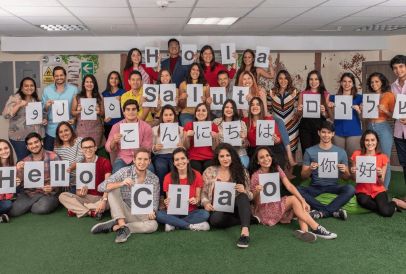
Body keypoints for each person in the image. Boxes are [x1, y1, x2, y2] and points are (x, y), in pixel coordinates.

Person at [249, 146, 337, 241]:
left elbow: (289, 186)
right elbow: (253, 201)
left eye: (267, 155)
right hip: (264, 210)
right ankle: (317, 228)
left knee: (299, 204)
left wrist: (302, 200)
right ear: (258, 161)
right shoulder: (255, 176)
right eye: (261, 157)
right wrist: (256, 191)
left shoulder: (276, 168)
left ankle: (305, 232)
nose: (266, 159)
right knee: (294, 200)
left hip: (276, 203)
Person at [91, 148, 159, 244]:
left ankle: (116, 226)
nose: (142, 162)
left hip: (140, 213)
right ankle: (122, 225)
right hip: (123, 210)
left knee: (153, 225)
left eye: (145, 159)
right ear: (134, 160)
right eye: (139, 159)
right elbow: (101, 187)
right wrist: (121, 183)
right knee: (112, 190)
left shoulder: (154, 179)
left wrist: (152, 210)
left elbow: (155, 201)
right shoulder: (124, 172)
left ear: (149, 161)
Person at [201, 143, 254, 248]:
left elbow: (251, 196)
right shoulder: (209, 171)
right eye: (222, 156)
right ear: (217, 158)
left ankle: (245, 233)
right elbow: (203, 192)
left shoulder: (241, 171)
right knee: (215, 221)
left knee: (242, 196)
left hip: (237, 205)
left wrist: (245, 191)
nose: (225, 159)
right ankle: (248, 219)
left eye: (228, 155)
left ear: (232, 156)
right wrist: (205, 202)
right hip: (219, 207)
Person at [298, 121, 354, 220]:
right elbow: (303, 176)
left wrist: (345, 171)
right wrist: (310, 169)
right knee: (298, 190)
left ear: (333, 134)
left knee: (350, 189)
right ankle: (332, 211)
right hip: (316, 186)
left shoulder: (341, 152)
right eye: (323, 132)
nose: (326, 135)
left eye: (329, 133)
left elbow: (347, 178)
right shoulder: (309, 151)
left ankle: (322, 212)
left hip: (334, 186)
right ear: (319, 133)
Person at [350, 130, 406, 217]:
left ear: (377, 142)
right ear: (363, 142)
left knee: (386, 212)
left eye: (373, 140)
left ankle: (394, 202)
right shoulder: (357, 155)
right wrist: (353, 172)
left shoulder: (383, 157)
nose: (370, 143)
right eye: (367, 140)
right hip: (362, 189)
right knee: (363, 201)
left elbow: (381, 182)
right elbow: (354, 179)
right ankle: (383, 207)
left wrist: (379, 175)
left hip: (378, 189)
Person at [156, 147, 210, 231]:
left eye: (183, 158)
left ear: (188, 160)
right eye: (177, 160)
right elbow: (168, 201)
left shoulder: (197, 175)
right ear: (173, 163)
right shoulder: (168, 177)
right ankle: (189, 226)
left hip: (191, 212)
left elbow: (198, 199)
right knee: (159, 214)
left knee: (205, 214)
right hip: (174, 213)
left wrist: (195, 200)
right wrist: (167, 202)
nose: (180, 162)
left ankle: (173, 224)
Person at [59, 137, 112, 219]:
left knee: (110, 202)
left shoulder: (105, 162)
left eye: (90, 147)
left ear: (95, 148)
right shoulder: (80, 165)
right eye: (85, 147)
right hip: (86, 198)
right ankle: (90, 212)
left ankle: (77, 209)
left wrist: (104, 200)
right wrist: (81, 193)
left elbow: (108, 183)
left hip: (101, 197)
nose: (88, 149)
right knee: (62, 196)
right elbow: (78, 192)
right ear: (81, 150)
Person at [9, 133, 61, 217]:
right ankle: (35, 201)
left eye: (36, 142)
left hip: (49, 193)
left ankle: (30, 204)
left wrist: (52, 186)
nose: (34, 145)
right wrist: (18, 169)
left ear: (42, 142)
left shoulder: (53, 156)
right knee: (14, 211)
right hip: (30, 193)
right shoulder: (25, 161)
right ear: (27, 147)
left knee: (41, 208)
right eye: (30, 144)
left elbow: (60, 179)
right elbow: (19, 182)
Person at [2, 77, 46, 161]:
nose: (29, 87)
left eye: (31, 85)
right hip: (20, 137)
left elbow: (40, 116)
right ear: (21, 88)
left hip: (36, 136)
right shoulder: (15, 98)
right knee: (23, 160)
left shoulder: (36, 99)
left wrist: (43, 120)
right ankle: (21, 174)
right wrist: (18, 105)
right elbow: (6, 115)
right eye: (26, 86)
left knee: (36, 160)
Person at [106, 99, 153, 173]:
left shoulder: (146, 127)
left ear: (137, 111)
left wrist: (137, 151)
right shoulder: (116, 126)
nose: (131, 112)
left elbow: (148, 147)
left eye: (133, 109)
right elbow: (108, 148)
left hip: (141, 158)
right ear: (124, 112)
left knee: (150, 171)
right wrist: (114, 141)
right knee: (117, 173)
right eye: (128, 109)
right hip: (123, 158)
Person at [365, 72, 395, 188]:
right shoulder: (370, 97)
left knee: (384, 159)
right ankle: (371, 186)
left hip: (383, 128)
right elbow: (366, 116)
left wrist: (385, 111)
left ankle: (384, 188)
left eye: (376, 81)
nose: (374, 84)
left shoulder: (389, 95)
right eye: (372, 82)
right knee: (371, 158)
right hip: (370, 127)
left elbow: (394, 115)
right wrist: (363, 109)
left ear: (382, 82)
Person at [42, 66, 78, 151]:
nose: (59, 77)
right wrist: (46, 106)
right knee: (50, 157)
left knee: (69, 157)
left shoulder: (74, 89)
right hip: (51, 130)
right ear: (53, 77)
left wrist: (75, 119)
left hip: (69, 129)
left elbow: (78, 110)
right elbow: (44, 111)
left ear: (65, 76)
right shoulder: (47, 90)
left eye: (61, 75)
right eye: (56, 76)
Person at [242, 97, 286, 169]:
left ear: (261, 107)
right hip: (254, 151)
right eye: (252, 105)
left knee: (276, 162)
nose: (255, 106)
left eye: (257, 104)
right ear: (250, 107)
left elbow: (279, 139)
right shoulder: (245, 121)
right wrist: (244, 140)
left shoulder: (268, 119)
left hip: (270, 148)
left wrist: (276, 139)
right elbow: (242, 138)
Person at [267, 70, 300, 164]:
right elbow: (269, 110)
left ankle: (291, 173)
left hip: (292, 124)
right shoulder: (271, 93)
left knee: (292, 147)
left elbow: (301, 107)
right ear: (277, 80)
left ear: (289, 80)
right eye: (280, 78)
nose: (283, 81)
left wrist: (298, 113)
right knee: (280, 149)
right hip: (277, 125)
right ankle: (284, 172)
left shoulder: (294, 92)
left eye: (285, 78)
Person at [328, 72, 362, 161]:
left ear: (353, 84)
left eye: (350, 81)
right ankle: (341, 175)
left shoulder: (359, 98)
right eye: (344, 81)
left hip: (354, 132)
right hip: (338, 131)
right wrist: (330, 108)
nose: (347, 84)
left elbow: (364, 118)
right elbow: (331, 117)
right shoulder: (333, 98)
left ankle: (351, 175)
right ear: (341, 83)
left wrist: (358, 110)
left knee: (353, 159)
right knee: (338, 158)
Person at [152, 105, 183, 197]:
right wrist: (155, 148)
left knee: (175, 168)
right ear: (162, 116)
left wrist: (181, 146)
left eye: (171, 114)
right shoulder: (154, 130)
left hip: (175, 156)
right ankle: (161, 196)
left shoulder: (181, 130)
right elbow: (151, 147)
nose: (168, 117)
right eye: (166, 115)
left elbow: (185, 148)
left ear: (174, 116)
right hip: (161, 155)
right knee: (161, 167)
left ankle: (175, 196)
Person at [297, 70, 330, 155]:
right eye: (311, 79)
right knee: (307, 152)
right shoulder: (302, 93)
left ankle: (317, 168)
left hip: (320, 126)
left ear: (320, 80)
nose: (313, 82)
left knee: (318, 152)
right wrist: (299, 110)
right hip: (305, 126)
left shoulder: (325, 94)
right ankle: (307, 168)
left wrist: (323, 112)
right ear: (308, 81)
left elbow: (327, 116)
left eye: (316, 79)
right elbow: (299, 114)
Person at [183, 103, 219, 174]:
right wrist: (187, 136)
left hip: (209, 157)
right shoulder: (189, 125)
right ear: (195, 113)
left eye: (203, 110)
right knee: (196, 170)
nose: (201, 113)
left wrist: (214, 138)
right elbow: (186, 147)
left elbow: (215, 148)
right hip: (193, 157)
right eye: (198, 110)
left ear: (207, 113)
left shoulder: (213, 126)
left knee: (209, 170)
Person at [71, 74, 105, 149]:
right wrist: (78, 111)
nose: (89, 84)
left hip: (96, 129)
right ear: (83, 84)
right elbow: (72, 112)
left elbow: (103, 113)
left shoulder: (99, 97)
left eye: (91, 82)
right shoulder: (77, 97)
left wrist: (99, 111)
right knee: (82, 150)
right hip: (81, 129)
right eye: (87, 82)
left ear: (94, 84)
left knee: (94, 150)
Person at [213, 99, 249, 167]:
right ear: (223, 109)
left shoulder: (241, 123)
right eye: (227, 107)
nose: (229, 109)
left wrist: (243, 139)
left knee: (243, 165)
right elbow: (214, 147)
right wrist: (216, 137)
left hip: (239, 153)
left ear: (234, 110)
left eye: (231, 108)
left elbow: (244, 146)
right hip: (223, 155)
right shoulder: (216, 122)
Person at [53, 121, 84, 193]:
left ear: (71, 130)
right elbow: (57, 166)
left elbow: (80, 158)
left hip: (78, 178)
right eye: (61, 132)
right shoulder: (56, 147)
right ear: (58, 135)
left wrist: (70, 169)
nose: (64, 133)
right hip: (63, 179)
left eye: (66, 130)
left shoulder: (79, 140)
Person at [390, 55, 406, 186]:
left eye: (401, 66)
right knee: (405, 165)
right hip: (399, 132)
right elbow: (394, 109)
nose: (398, 70)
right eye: (395, 68)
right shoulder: (392, 87)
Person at [102, 71, 126, 139]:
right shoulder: (104, 94)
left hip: (120, 123)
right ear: (108, 80)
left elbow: (127, 108)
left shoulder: (123, 92)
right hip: (108, 123)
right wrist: (103, 118)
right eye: (111, 78)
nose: (114, 80)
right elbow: (102, 111)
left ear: (119, 80)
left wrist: (121, 101)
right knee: (109, 145)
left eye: (116, 78)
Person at [0, 139, 18, 223]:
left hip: (3, 200)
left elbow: (9, 194)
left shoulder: (13, 166)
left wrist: (16, 184)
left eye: (6, 148)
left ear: (10, 149)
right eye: (0, 149)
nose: (4, 151)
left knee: (8, 204)